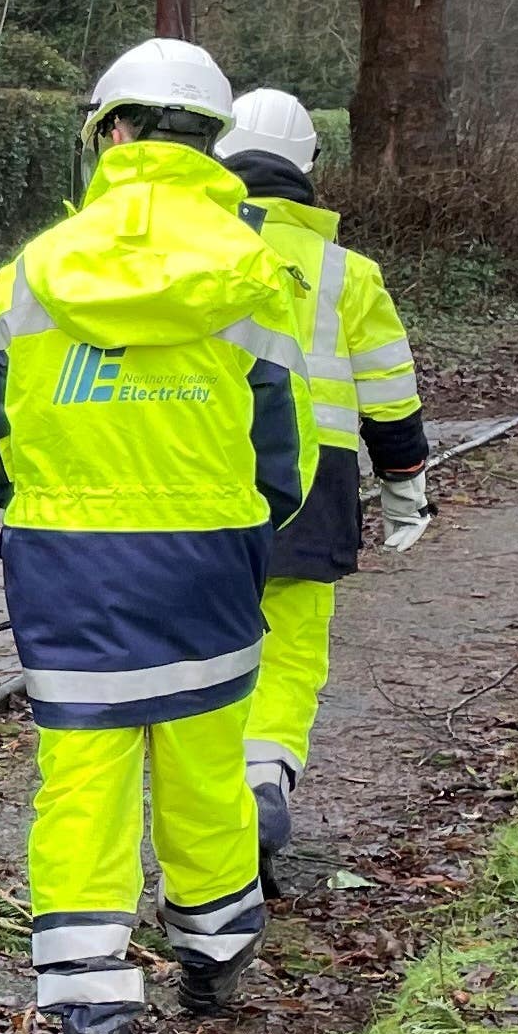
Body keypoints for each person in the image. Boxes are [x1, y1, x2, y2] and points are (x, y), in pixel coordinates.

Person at [0, 41, 311, 1034]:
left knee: (83, 791)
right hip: (207, 566)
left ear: (110, 131)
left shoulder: (30, 273)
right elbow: (279, 463)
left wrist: (63, 499)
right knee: (204, 774)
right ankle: (214, 966)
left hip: (69, 574)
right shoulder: (255, 276)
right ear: (212, 138)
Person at [212, 89, 434, 883]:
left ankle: (207, 818)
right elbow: (390, 391)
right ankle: (264, 775)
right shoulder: (346, 273)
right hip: (316, 493)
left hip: (201, 481)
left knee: (204, 653)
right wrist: (406, 480)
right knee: (291, 651)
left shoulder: (193, 251)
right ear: (311, 167)